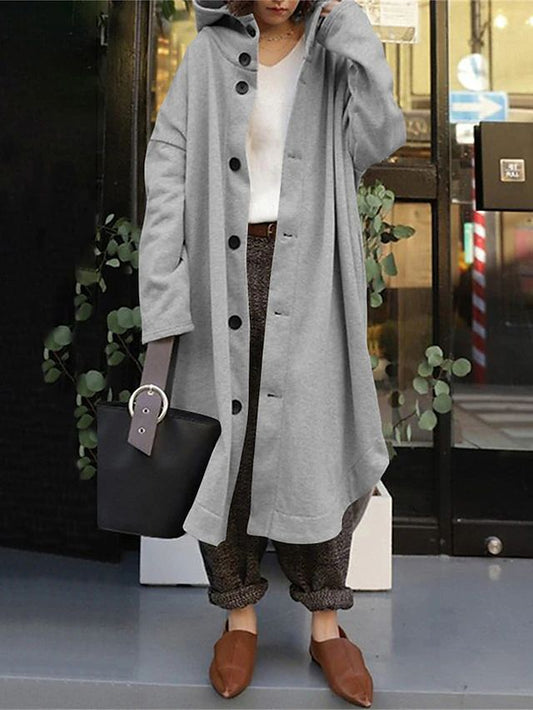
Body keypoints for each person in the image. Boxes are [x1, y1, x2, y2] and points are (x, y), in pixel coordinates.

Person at [138, 0, 406, 706]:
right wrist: (163, 288)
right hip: (220, 273)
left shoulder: (332, 51)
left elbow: (381, 135)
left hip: (311, 272)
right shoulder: (207, 56)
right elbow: (168, 168)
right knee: (224, 446)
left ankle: (326, 626)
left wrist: (352, 30)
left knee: (318, 445)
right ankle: (239, 618)